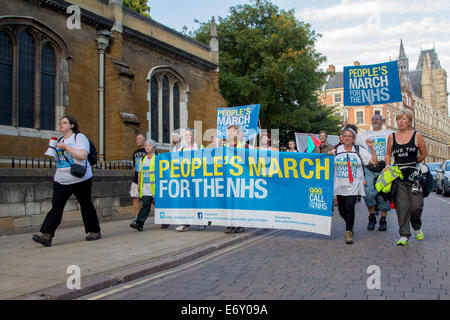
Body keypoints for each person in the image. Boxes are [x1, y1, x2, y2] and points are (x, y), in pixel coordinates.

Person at [32, 116, 101, 246]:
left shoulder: (79, 138)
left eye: (64, 122)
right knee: (56, 207)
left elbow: (82, 155)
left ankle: (94, 231)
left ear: (72, 125)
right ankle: (47, 235)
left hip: (80, 179)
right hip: (61, 180)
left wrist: (66, 147)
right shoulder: (60, 140)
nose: (61, 124)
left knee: (86, 205)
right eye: (60, 123)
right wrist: (53, 147)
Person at [385, 109, 428, 246]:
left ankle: (416, 226)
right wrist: (387, 165)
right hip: (399, 177)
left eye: (404, 119)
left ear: (409, 121)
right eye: (399, 119)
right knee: (401, 206)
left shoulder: (417, 135)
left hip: (414, 177)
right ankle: (404, 234)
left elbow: (423, 153)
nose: (401, 121)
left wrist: (415, 164)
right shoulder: (392, 136)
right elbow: (388, 154)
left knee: (416, 206)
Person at [333, 126, 378, 244]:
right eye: (345, 136)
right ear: (342, 138)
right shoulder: (336, 150)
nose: (347, 138)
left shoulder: (358, 150)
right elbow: (325, 165)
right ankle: (350, 223)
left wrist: (371, 148)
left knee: (349, 206)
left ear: (353, 139)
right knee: (342, 210)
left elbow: (374, 162)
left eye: (349, 136)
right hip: (340, 185)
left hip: (354, 185)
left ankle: (348, 231)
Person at [355, 114, 392, 231]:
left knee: (384, 193)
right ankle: (371, 216)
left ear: (382, 121)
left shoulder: (389, 134)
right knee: (368, 193)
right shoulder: (364, 135)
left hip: (384, 167)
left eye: (377, 119)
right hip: (369, 167)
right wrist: (347, 127)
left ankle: (383, 219)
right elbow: (350, 138)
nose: (375, 120)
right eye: (373, 119)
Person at [176, 128, 205, 232]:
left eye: (189, 135)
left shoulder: (200, 147)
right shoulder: (181, 149)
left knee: (197, 201)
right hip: (185, 179)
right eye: (186, 135)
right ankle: (184, 223)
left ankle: (201, 222)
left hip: (197, 178)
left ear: (193, 137)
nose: (187, 137)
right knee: (185, 201)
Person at [224, 125, 247, 233]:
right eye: (229, 131)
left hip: (240, 177)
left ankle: (239, 224)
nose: (230, 133)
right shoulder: (224, 145)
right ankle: (229, 224)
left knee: (238, 201)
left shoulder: (243, 145)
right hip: (227, 177)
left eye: (233, 131)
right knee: (228, 201)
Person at [130, 139, 157, 231]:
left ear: (153, 147)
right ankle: (139, 223)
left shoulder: (158, 158)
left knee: (159, 204)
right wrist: (139, 184)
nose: (147, 147)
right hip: (145, 186)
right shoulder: (141, 159)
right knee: (146, 203)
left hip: (155, 186)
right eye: (146, 146)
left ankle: (166, 219)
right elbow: (139, 172)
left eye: (149, 145)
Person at [131, 134, 147, 219]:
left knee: (149, 199)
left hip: (147, 179)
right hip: (136, 178)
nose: (137, 140)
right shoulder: (135, 153)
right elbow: (135, 167)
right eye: (136, 138)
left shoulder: (148, 151)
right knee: (135, 197)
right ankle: (137, 217)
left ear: (144, 140)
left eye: (139, 138)